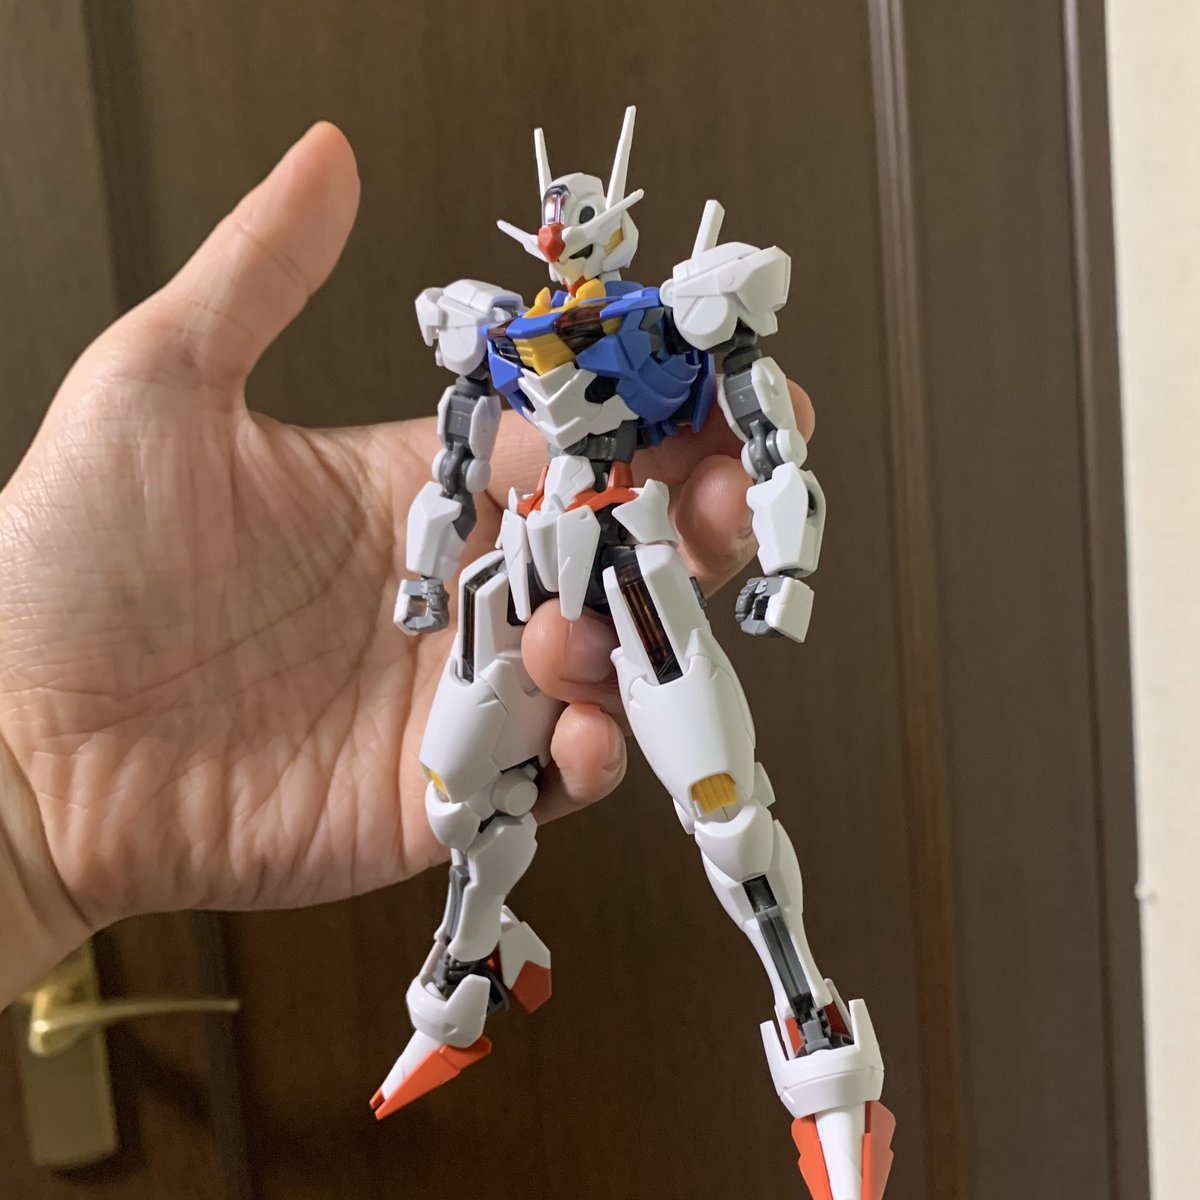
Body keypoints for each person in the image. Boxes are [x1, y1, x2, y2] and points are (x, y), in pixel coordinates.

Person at [0, 122, 815, 1008]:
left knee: (720, 799)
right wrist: (424, 578)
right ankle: (471, 959)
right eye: (550, 217)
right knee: (457, 793)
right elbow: (455, 466)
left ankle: (806, 1009)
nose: (557, 233)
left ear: (615, 224)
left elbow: (768, 432)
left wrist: (784, 570)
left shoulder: (666, 318)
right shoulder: (504, 332)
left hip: (627, 543)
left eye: (574, 217)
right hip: (526, 547)